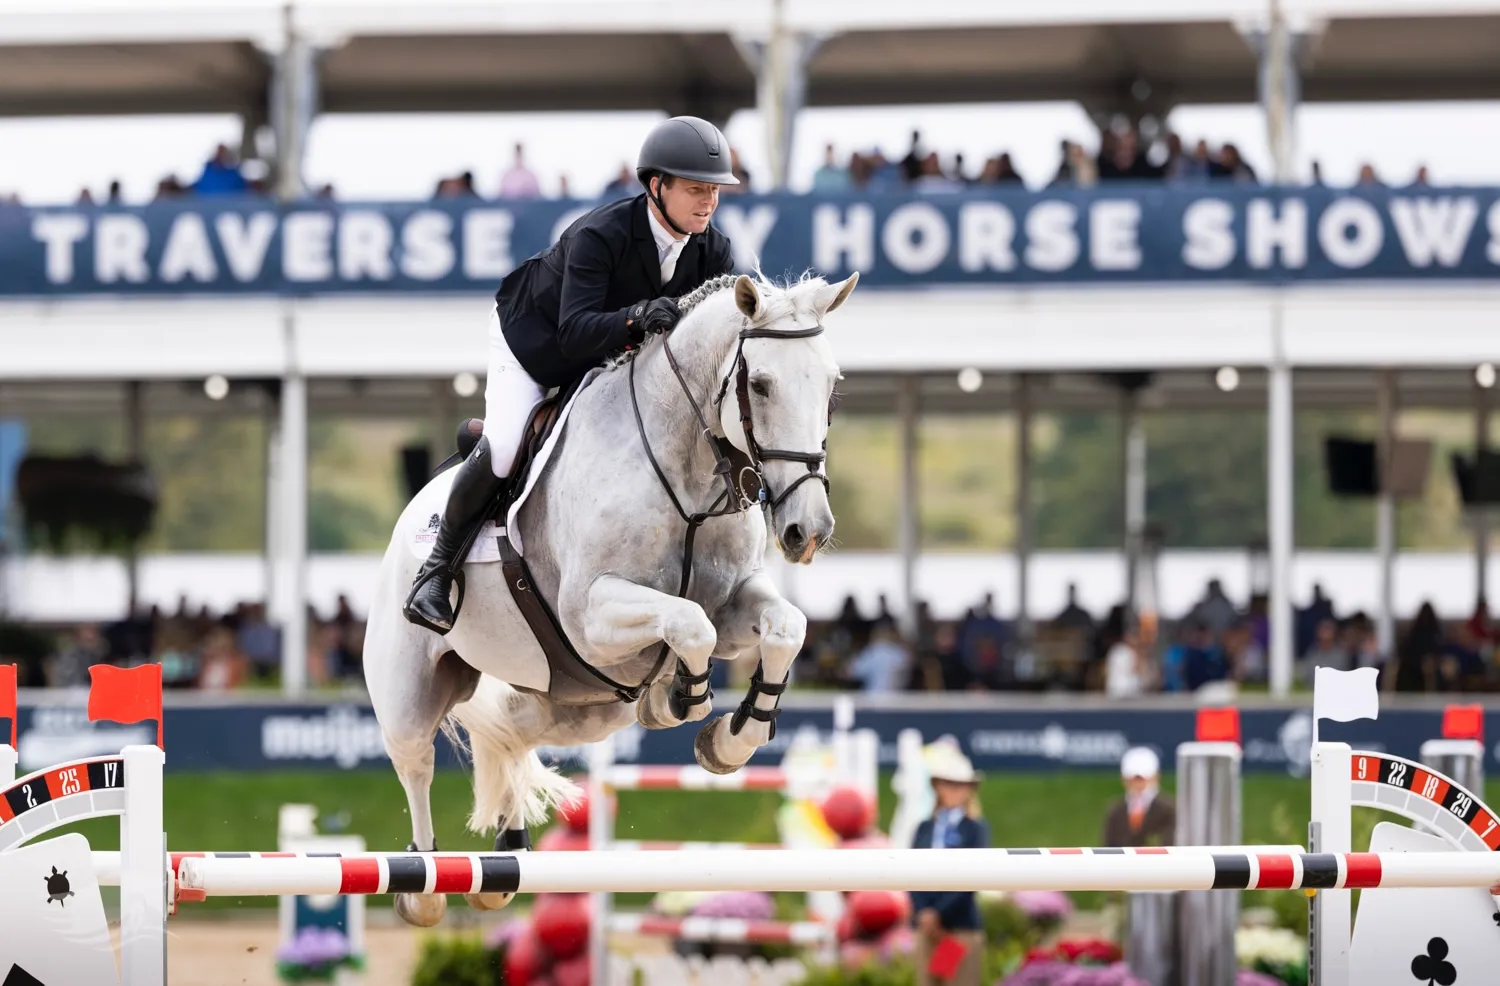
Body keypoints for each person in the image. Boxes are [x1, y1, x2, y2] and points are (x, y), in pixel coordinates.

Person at [403, 116, 739, 632]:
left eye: (715, 190)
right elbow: (574, 333)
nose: (709, 202)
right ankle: (435, 570)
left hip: (611, 359)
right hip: (536, 344)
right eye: (696, 189)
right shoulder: (599, 235)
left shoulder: (714, 249)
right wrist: (637, 316)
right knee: (510, 446)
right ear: (656, 186)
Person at [910, 744, 989, 986]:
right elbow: (910, 872)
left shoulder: (974, 828)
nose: (953, 790)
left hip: (958, 927)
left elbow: (972, 877)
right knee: (928, 982)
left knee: (958, 982)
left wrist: (938, 913)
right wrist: (923, 912)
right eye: (948, 784)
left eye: (959, 785)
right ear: (937, 787)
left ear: (969, 789)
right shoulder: (925, 828)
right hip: (928, 928)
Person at [1101, 747, 1176, 847]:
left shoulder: (1169, 809)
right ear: (1124, 780)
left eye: (1142, 779)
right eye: (1134, 779)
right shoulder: (1116, 811)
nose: (1138, 785)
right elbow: (1108, 847)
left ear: (1156, 777)